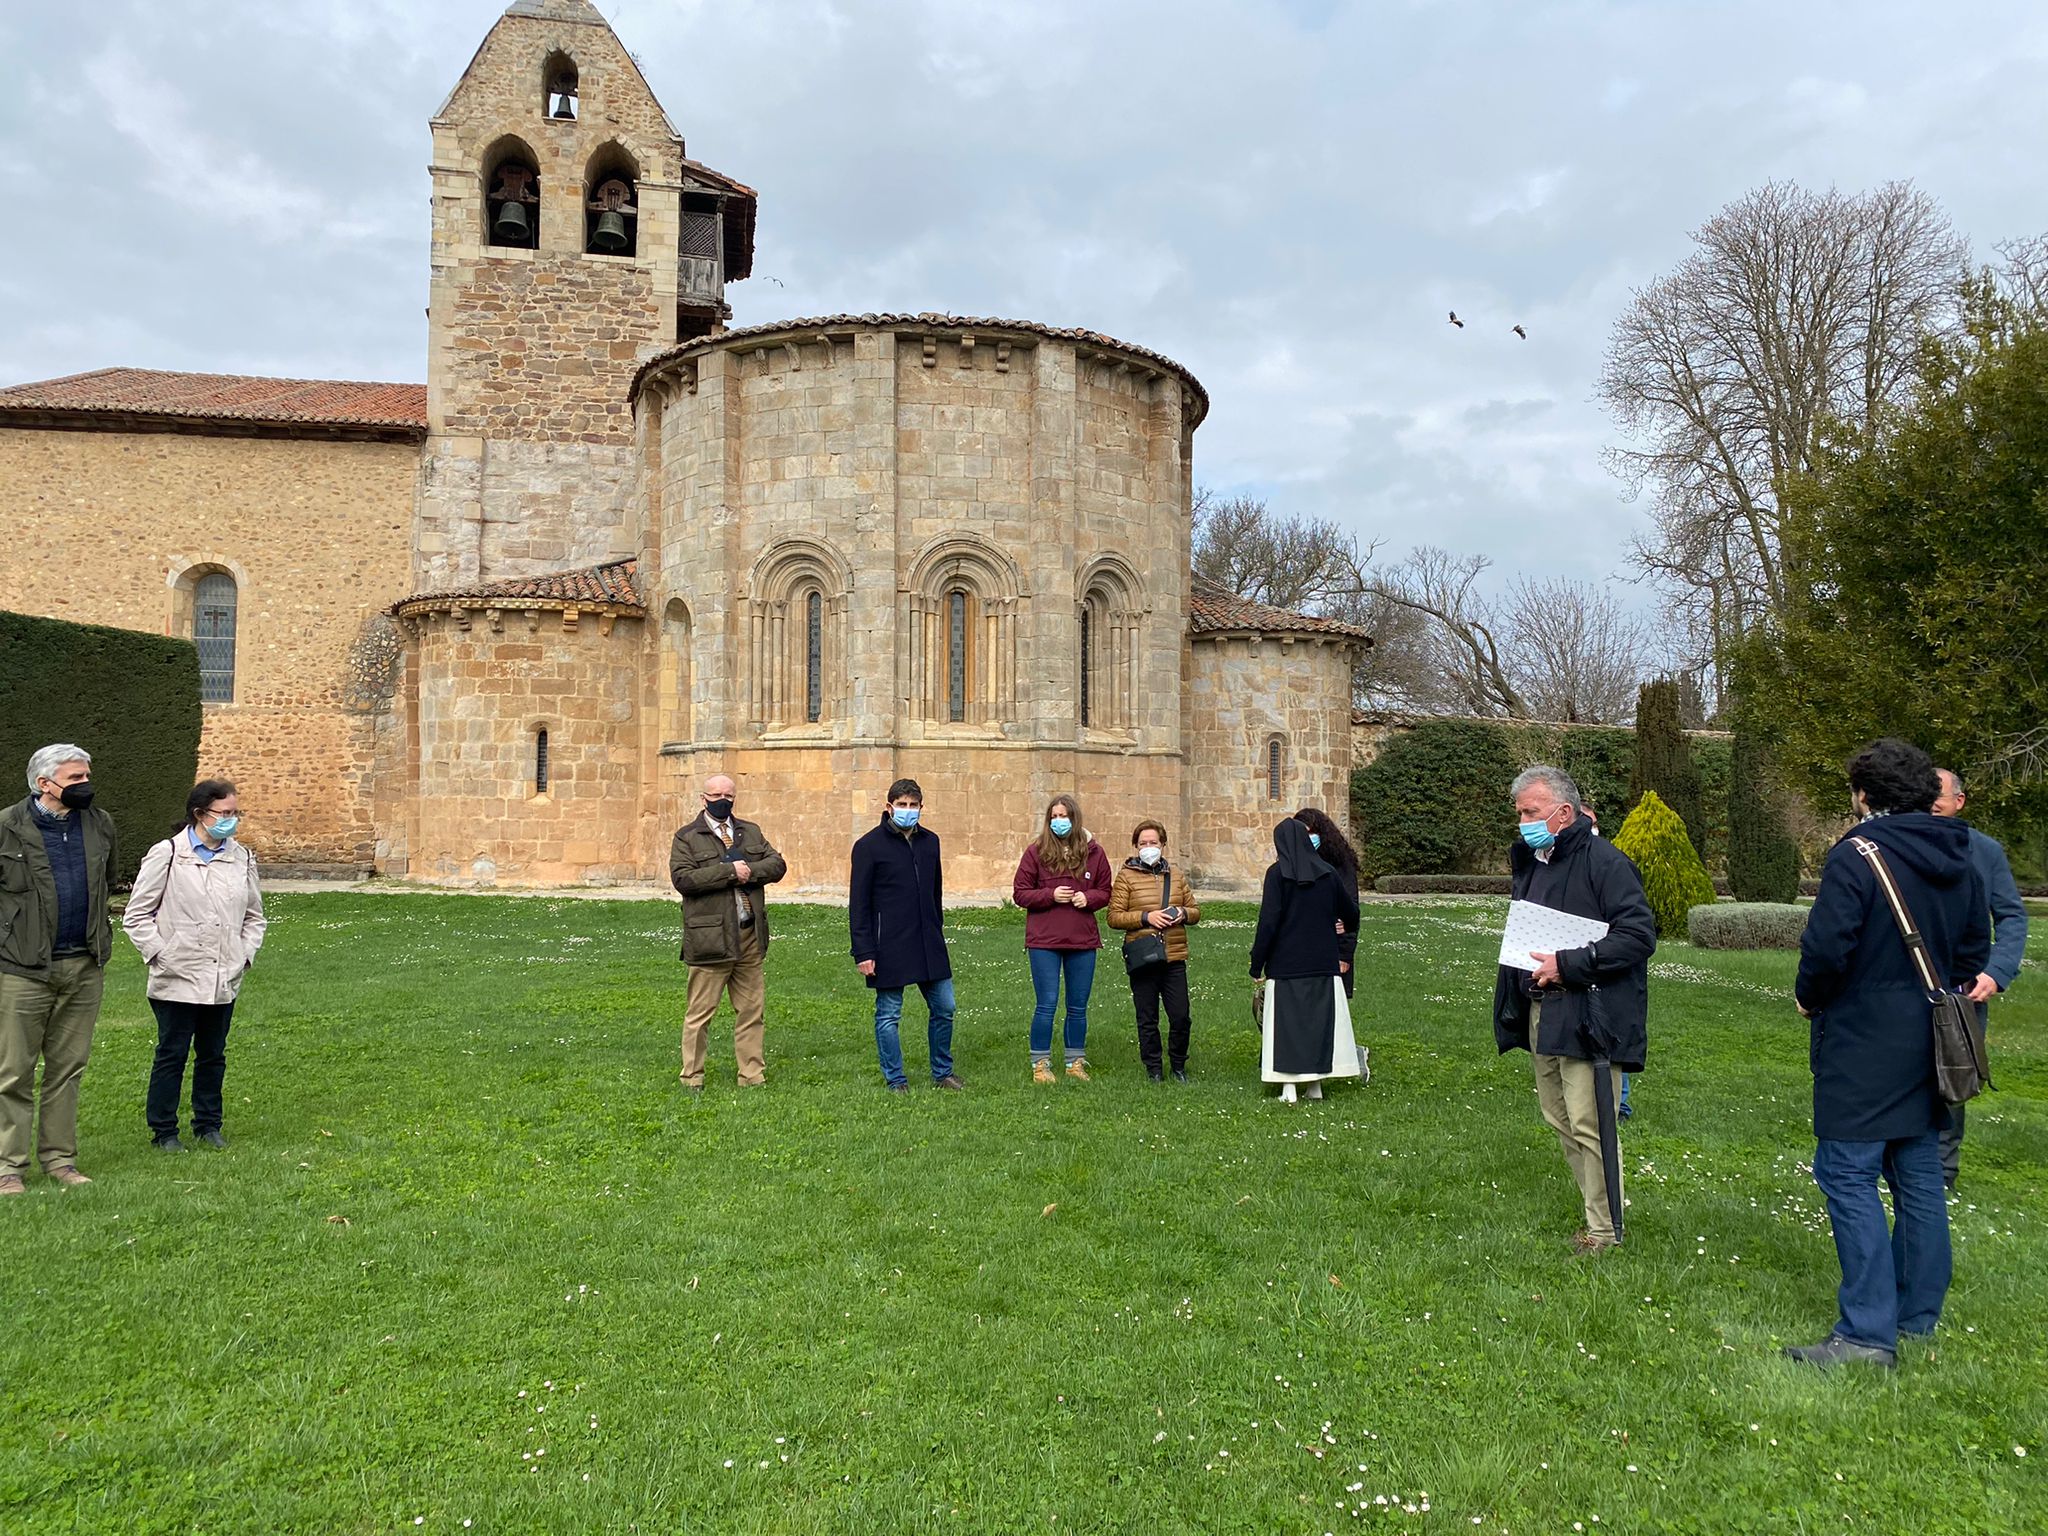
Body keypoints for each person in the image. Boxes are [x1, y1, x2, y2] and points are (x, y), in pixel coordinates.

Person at [1787, 740, 1990, 1368]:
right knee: (1918, 1174)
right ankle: (1916, 1316)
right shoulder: (1961, 851)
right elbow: (1973, 949)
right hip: (1931, 1036)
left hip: (1863, 1037)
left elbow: (1827, 948)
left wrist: (1810, 997)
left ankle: (1868, 1333)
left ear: (1865, 795)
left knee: (1846, 1173)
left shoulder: (1858, 854)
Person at [1491, 765, 1655, 1256]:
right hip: (1543, 1008)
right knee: (1559, 1116)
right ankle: (1596, 1214)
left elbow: (1638, 936)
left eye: (1531, 811)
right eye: (1519, 812)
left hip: (1590, 1011)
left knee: (1590, 1120)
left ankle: (1606, 1230)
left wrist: (1570, 964)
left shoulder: (1606, 862)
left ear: (1563, 813)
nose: (1522, 821)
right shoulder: (1537, 862)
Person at [122, 779, 267, 1150]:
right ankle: (164, 1131)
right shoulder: (168, 854)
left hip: (223, 974)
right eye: (224, 813)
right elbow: (137, 914)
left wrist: (243, 954)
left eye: (236, 813)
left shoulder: (242, 858)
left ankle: (208, 1124)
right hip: (177, 974)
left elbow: (254, 917)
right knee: (172, 1053)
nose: (231, 820)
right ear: (200, 814)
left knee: (213, 1054)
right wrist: (161, 954)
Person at [0, 744, 117, 1192]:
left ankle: (59, 1159)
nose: (84, 785)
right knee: (12, 1071)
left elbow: (107, 881)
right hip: (22, 969)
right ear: (43, 784)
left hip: (83, 965)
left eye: (86, 776)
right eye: (74, 779)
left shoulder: (100, 824)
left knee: (67, 1069)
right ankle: (9, 1166)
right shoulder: (8, 826)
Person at [1931, 766, 2029, 1189]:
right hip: (1906, 985)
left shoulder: (1984, 851)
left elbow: (2010, 915)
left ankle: (1942, 1173)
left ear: (1959, 802)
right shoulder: (1895, 845)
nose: (1931, 805)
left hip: (1963, 992)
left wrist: (1996, 971)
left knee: (1953, 1078)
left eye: (1939, 798)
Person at [670, 773, 787, 1092]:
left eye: (729, 795)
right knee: (700, 1013)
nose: (723, 800)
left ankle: (752, 1075)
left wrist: (749, 873)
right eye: (716, 795)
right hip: (710, 938)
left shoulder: (750, 831)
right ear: (703, 798)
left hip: (749, 935)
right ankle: (692, 1076)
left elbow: (777, 865)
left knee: (751, 1010)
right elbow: (683, 879)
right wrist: (728, 872)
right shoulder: (687, 837)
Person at [850, 779, 961, 1093]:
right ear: (889, 808)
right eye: (901, 805)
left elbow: (934, 890)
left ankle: (943, 1072)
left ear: (921, 808)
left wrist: (936, 926)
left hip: (928, 940)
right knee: (889, 1013)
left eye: (913, 806)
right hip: (889, 944)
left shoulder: (931, 842)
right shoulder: (869, 847)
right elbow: (859, 904)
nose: (907, 811)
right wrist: (863, 951)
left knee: (945, 1007)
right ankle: (895, 1079)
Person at [1249, 818, 1363, 1104]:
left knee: (1287, 1027)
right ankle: (1315, 1087)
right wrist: (1341, 927)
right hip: (1323, 963)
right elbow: (1352, 912)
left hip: (1286, 964)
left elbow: (1269, 922)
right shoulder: (1327, 874)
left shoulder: (1277, 875)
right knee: (1317, 1025)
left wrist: (1256, 961)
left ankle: (1289, 1089)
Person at [1013, 794, 1112, 1083]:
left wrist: (1089, 897)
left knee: (1078, 1006)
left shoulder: (1094, 852)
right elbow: (1020, 892)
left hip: (1082, 941)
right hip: (1044, 941)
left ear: (1075, 818)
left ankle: (1075, 1062)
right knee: (1046, 1003)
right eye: (1054, 816)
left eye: (1064, 816)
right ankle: (1040, 1064)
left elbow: (1106, 890)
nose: (1059, 821)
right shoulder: (1036, 852)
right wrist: (1050, 895)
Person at [1105, 819, 1201, 1082]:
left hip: (1173, 956)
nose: (1149, 847)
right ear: (1136, 846)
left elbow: (1195, 911)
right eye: (1143, 843)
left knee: (1180, 1016)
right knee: (1147, 1017)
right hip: (1143, 956)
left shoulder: (1176, 876)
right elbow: (1113, 917)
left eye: (1153, 843)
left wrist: (1182, 912)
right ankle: (1154, 1068)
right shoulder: (1126, 876)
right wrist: (1147, 917)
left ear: (1163, 845)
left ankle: (1179, 1065)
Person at [1581, 795, 1633, 1122]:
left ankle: (1620, 1105)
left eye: (1593, 823)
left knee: (1612, 1037)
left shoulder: (1612, 864)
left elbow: (1633, 930)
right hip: (1579, 966)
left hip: (1607, 964)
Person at [1292, 807, 1360, 1002]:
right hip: (1302, 947)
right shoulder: (1295, 863)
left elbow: (1350, 911)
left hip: (1332, 947)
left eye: (1311, 833)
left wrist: (1345, 954)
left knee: (1332, 1004)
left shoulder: (1340, 864)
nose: (1308, 838)